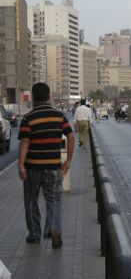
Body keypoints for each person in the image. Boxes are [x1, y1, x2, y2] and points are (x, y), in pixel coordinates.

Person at [18, 82, 74, 248]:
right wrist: (69, 161)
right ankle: (54, 227)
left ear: (34, 97)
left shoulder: (28, 118)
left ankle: (34, 234)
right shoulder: (58, 116)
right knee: (54, 200)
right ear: (49, 96)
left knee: (31, 201)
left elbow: (25, 141)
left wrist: (21, 165)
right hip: (53, 167)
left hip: (32, 167)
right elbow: (70, 137)